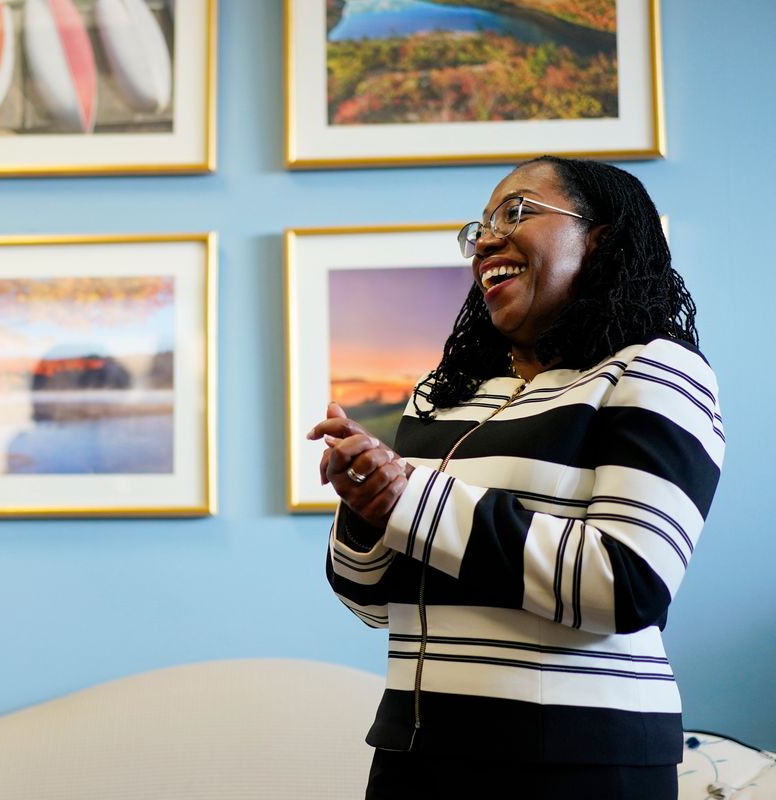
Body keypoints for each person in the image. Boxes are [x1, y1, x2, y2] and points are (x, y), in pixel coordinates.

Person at [307, 156, 724, 800]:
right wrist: (365, 503)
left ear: (600, 235)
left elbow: (628, 583)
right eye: (480, 227)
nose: (487, 239)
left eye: (518, 212)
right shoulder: (442, 398)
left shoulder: (653, 370)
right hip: (416, 757)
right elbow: (372, 604)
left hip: (580, 765)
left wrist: (407, 498)